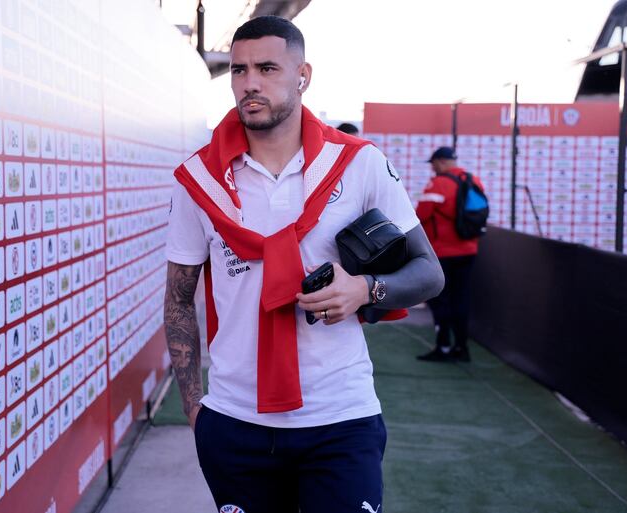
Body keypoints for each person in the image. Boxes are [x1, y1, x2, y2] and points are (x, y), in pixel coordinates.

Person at [164, 15, 444, 513]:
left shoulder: (358, 163)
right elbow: (179, 299)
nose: (250, 83)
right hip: (234, 423)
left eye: (268, 68)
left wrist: (365, 289)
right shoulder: (197, 181)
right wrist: (195, 410)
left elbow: (429, 272)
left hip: (340, 419)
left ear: (302, 75)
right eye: (239, 69)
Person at [415, 146, 485, 362]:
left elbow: (421, 215)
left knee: (439, 299)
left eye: (433, 163)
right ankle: (462, 348)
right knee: (461, 298)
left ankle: (443, 347)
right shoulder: (475, 181)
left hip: (443, 252)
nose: (432, 168)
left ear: (441, 162)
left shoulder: (438, 183)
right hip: (469, 249)